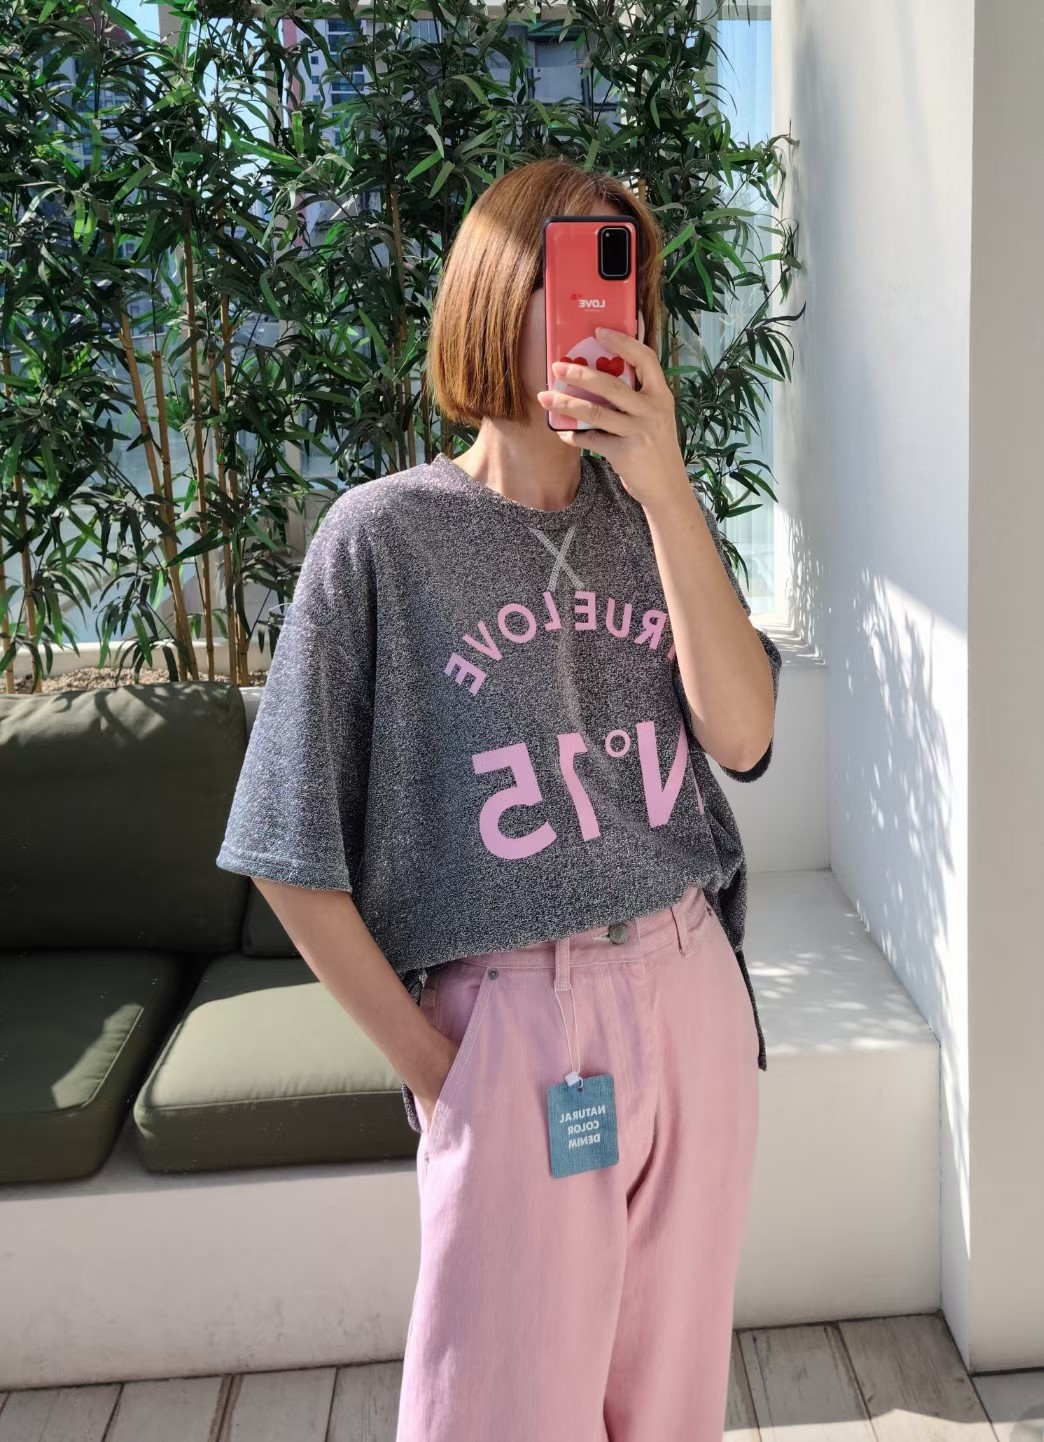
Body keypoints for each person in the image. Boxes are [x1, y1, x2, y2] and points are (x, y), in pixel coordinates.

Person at [216, 155, 782, 1442]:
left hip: (691, 993)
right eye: (575, 275)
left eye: (626, 287)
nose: (607, 315)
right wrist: (442, 1072)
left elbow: (743, 734)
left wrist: (670, 488)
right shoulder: (381, 536)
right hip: (516, 1026)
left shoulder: (653, 518)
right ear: (494, 289)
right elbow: (286, 849)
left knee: (674, 1407)